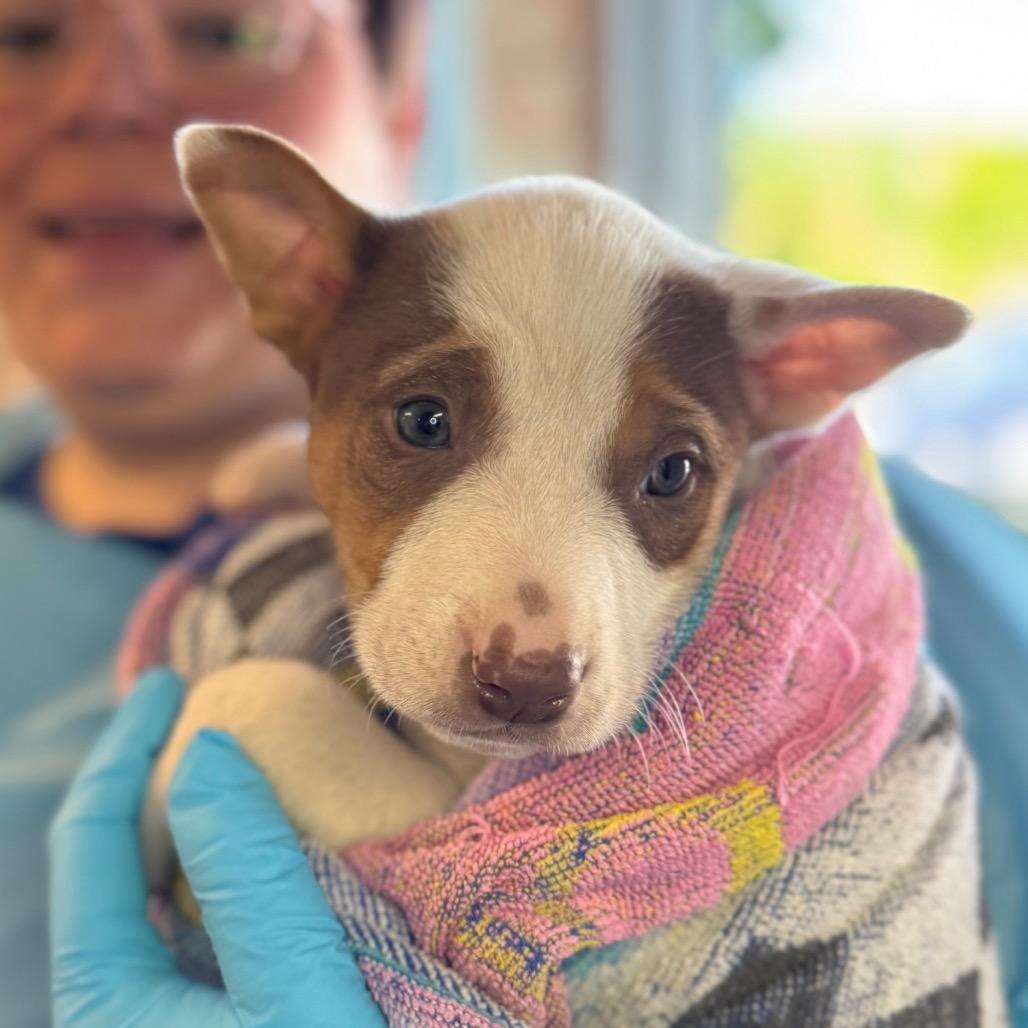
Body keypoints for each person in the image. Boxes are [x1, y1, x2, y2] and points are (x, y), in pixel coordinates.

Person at [0, 1, 426, 1023]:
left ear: (398, 115)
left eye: (227, 26)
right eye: (20, 37)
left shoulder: (808, 570)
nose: (102, 100)